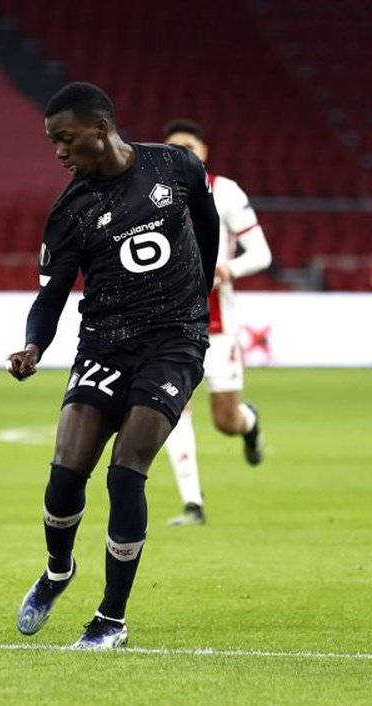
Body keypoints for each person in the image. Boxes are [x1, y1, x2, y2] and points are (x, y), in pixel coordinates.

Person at [6, 83, 219, 649]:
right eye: (52, 141)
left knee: (127, 472)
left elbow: (207, 217)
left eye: (65, 138)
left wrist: (199, 296)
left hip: (173, 342)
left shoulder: (174, 167)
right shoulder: (71, 210)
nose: (57, 151)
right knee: (65, 474)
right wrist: (34, 346)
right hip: (103, 343)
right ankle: (57, 571)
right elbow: (50, 295)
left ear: (100, 128)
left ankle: (110, 620)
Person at [161, 120, 271, 526]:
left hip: (218, 326)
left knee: (226, 421)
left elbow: (262, 255)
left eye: (188, 146)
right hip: (170, 325)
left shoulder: (225, 191)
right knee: (174, 409)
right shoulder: (153, 196)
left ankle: (249, 422)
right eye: (172, 147)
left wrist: (227, 269)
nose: (181, 153)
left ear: (203, 150)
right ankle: (193, 504)